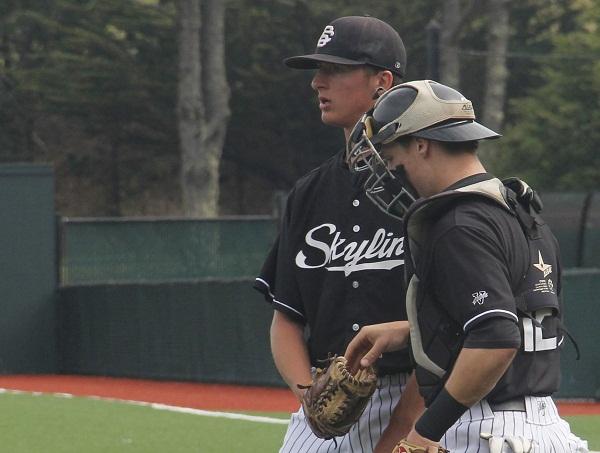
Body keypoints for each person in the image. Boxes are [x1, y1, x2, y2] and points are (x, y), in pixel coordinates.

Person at [344, 79, 590, 452]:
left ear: (422, 144)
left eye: (395, 158)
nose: (394, 172)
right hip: (543, 427)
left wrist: (424, 431)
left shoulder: (457, 223)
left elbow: (496, 338)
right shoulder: (518, 209)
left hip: (485, 431)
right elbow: (514, 319)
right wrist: (414, 330)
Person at [253, 15, 425, 453]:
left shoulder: (426, 186)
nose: (317, 83)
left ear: (382, 82)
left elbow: (454, 328)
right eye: (317, 70)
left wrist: (403, 428)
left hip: (423, 389)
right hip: (331, 396)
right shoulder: (309, 193)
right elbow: (286, 318)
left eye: (335, 69)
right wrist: (313, 397)